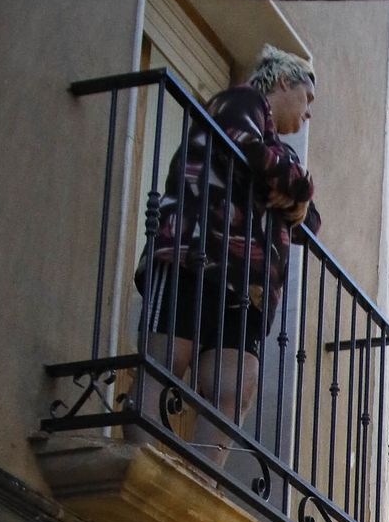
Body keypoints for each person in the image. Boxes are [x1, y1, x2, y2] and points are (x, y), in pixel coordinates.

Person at [135, 45, 318, 465]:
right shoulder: (240, 101)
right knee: (167, 359)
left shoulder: (283, 150)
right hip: (193, 252)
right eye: (307, 99)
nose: (308, 113)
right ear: (284, 81)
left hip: (247, 284)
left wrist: (294, 194)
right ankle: (139, 457)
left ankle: (202, 478)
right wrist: (298, 189)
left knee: (236, 386)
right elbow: (251, 152)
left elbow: (311, 221)